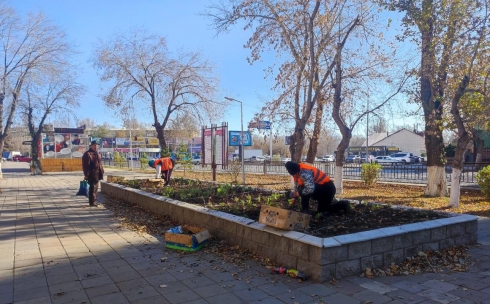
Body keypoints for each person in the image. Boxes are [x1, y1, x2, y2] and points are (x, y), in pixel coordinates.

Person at [284, 161, 350, 215]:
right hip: (319, 188)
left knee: (323, 211)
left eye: (295, 174)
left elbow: (309, 189)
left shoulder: (305, 173)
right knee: (302, 190)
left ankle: (343, 204)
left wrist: (296, 194)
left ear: (297, 171)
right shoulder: (296, 172)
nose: (294, 176)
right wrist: (292, 203)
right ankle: (305, 210)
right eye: (293, 175)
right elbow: (298, 187)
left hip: (327, 189)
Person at [82, 140, 104, 206]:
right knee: (92, 188)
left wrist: (102, 171)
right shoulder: (87, 154)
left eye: (97, 145)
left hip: (98, 173)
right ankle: (92, 202)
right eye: (94, 145)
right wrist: (86, 175)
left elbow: (100, 163)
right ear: (91, 146)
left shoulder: (97, 153)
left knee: (96, 188)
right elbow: (86, 166)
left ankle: (93, 200)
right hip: (92, 174)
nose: (95, 146)